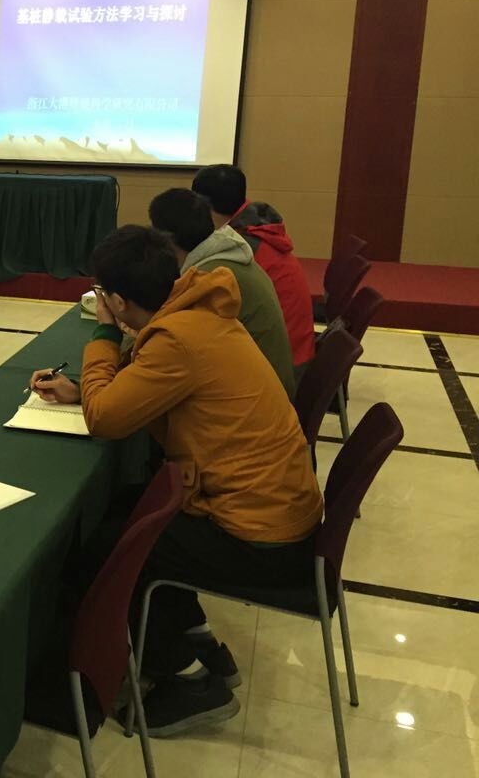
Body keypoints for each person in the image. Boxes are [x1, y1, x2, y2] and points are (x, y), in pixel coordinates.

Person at [31, 225, 322, 737]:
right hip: (275, 509)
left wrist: (104, 337)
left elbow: (105, 419)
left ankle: (190, 680)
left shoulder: (177, 339)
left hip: (259, 536)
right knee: (129, 506)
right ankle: (197, 640)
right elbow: (136, 390)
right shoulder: (198, 312)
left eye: (103, 296)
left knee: (119, 550)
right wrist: (86, 389)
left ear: (118, 301)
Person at [149, 188, 296, 397]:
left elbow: (166, 345)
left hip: (257, 396)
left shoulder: (210, 277)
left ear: (166, 240)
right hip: (268, 387)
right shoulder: (228, 254)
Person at [192, 164, 314, 370]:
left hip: (281, 367)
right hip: (296, 352)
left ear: (202, 205)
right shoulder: (256, 227)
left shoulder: (239, 247)